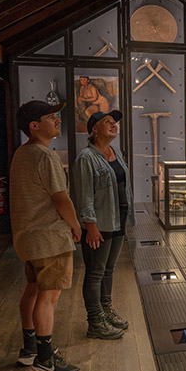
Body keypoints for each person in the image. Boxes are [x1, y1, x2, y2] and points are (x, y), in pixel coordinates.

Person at [10, 101, 82, 371]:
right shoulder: (45, 156)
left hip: (28, 237)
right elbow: (61, 198)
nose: (57, 120)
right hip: (50, 237)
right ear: (34, 125)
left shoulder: (21, 153)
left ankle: (29, 350)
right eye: (52, 116)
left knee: (33, 290)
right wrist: (75, 226)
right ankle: (46, 360)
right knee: (48, 298)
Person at [71, 110, 134, 340]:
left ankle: (107, 310)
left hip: (118, 219)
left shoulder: (115, 151)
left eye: (114, 122)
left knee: (109, 269)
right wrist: (91, 226)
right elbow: (84, 195)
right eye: (107, 122)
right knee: (95, 272)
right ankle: (95, 321)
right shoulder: (86, 158)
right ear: (94, 129)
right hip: (99, 224)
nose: (113, 124)